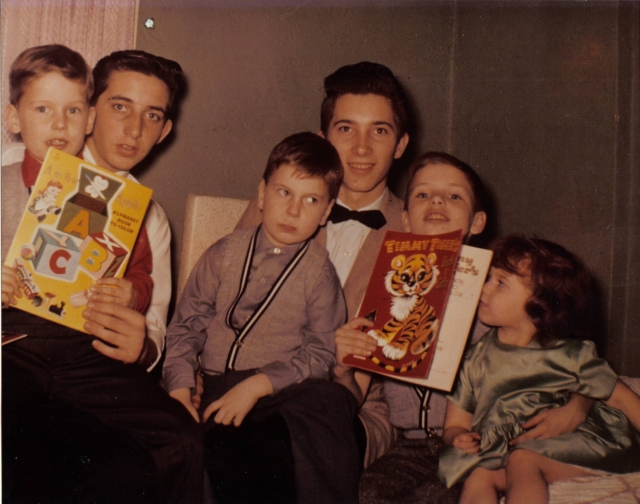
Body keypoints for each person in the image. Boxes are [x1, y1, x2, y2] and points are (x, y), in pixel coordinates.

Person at [1, 46, 203, 504]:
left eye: (152, 116)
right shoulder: (9, 174)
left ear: (165, 129)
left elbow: (150, 315)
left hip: (87, 358)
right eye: (120, 107)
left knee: (180, 441)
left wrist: (142, 342)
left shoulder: (147, 216)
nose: (134, 130)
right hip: (12, 351)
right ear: (94, 113)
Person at [164, 132, 360, 504]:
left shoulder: (319, 273)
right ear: (262, 193)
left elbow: (321, 352)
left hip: (280, 391)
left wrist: (259, 385)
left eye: (311, 200)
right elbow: (186, 325)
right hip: (215, 385)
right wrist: (180, 384)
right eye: (284, 192)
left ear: (327, 211)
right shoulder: (223, 253)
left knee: (327, 401)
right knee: (212, 450)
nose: (294, 210)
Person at [237, 61, 412, 466]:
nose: (362, 148)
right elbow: (226, 301)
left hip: (350, 405)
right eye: (346, 129)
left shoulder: (410, 238)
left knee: (277, 443)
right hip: (248, 380)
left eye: (379, 131)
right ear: (322, 139)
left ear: (401, 144)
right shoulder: (276, 206)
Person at [438, 235, 640, 504]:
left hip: (573, 444)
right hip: (506, 449)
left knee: (523, 461)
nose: (483, 289)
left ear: (540, 304)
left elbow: (621, 396)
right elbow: (454, 425)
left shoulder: (567, 353)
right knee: (479, 475)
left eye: (500, 283)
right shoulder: (474, 359)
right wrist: (459, 438)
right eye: (488, 278)